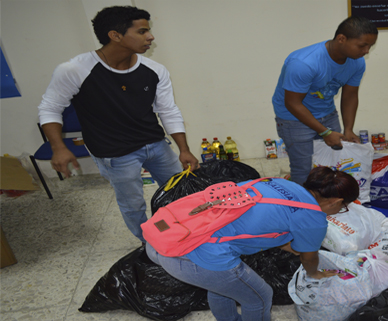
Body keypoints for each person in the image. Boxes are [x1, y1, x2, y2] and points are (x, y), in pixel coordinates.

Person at [37, 6, 200, 242]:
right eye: (142, 31)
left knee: (182, 191)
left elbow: (167, 110)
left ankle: (192, 232)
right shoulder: (74, 70)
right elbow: (49, 108)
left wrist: (183, 149)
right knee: (133, 204)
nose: (150, 37)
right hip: (114, 154)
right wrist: (58, 147)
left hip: (156, 145)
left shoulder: (154, 70)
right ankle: (152, 244)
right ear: (115, 35)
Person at [146, 166, 359, 321]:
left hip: (162, 237)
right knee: (259, 297)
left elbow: (260, 222)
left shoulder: (279, 182)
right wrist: (315, 273)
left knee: (223, 286)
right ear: (335, 202)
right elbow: (309, 258)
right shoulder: (313, 218)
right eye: (344, 207)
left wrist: (293, 247)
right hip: (189, 257)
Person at [272, 16, 378, 185]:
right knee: (304, 171)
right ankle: (306, 209)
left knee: (332, 168)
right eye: (362, 45)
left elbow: (350, 95)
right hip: (293, 118)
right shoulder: (303, 63)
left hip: (327, 113)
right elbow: (292, 103)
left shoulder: (357, 62)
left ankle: (329, 205)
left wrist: (348, 129)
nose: (366, 51)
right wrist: (325, 132)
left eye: (370, 46)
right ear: (341, 39)